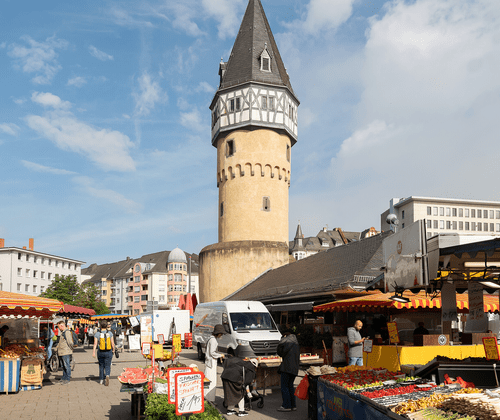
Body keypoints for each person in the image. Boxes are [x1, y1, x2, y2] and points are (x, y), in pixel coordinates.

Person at [276, 328, 300, 412]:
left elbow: (280, 352)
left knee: (284, 386)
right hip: (295, 367)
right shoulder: (296, 342)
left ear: (285, 334)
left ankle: (286, 406)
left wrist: (281, 341)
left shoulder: (285, 342)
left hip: (287, 367)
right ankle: (293, 405)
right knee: (290, 386)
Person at [204, 324, 226, 403]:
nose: (221, 335)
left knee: (208, 381)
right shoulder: (213, 340)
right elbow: (212, 353)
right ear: (218, 333)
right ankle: (210, 400)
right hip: (211, 363)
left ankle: (207, 398)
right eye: (221, 333)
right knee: (211, 382)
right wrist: (220, 355)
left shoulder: (211, 338)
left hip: (209, 362)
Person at [93, 321, 115, 386]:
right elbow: (112, 343)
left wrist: (93, 352)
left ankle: (101, 380)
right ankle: (107, 375)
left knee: (101, 365)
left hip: (100, 351)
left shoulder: (97, 334)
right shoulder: (110, 333)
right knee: (108, 365)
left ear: (100, 326)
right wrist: (113, 350)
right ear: (106, 326)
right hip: (108, 351)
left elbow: (95, 344)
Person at [56, 320, 74, 385]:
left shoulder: (67, 332)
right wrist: (56, 349)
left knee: (66, 366)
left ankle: (67, 379)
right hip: (62, 352)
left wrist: (71, 349)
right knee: (63, 366)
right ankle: (64, 378)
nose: (59, 328)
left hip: (66, 352)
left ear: (62, 325)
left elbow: (70, 342)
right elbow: (60, 342)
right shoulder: (63, 332)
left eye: (59, 327)